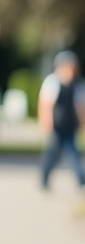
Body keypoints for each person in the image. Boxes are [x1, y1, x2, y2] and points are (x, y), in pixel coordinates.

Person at [38, 50, 85, 193]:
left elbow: (80, 107)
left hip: (70, 126)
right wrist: (46, 122)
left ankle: (81, 181)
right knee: (52, 154)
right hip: (56, 126)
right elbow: (46, 104)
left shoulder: (78, 85)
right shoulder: (52, 81)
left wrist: (83, 124)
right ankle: (44, 178)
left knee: (74, 154)